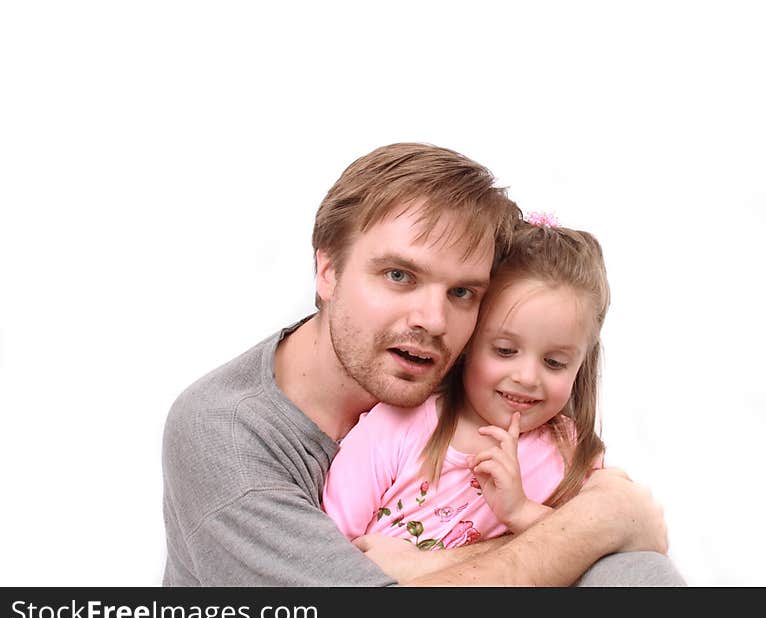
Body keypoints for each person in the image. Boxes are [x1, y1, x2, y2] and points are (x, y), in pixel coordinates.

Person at [161, 142, 681, 586]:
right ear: (327, 269)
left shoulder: (462, 375)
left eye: (461, 291)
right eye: (399, 276)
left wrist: (586, 528)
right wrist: (596, 524)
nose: (433, 320)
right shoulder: (225, 435)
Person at [323, 213, 610, 555]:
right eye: (505, 351)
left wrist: (520, 512)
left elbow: (600, 554)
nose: (527, 377)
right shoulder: (396, 426)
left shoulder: (572, 454)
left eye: (554, 363)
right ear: (469, 341)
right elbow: (326, 551)